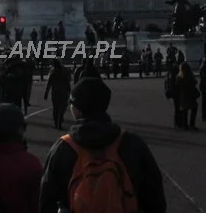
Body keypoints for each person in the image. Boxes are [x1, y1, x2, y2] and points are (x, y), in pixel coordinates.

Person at [40, 78, 166, 213]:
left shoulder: (62, 148)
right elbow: (155, 199)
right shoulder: (132, 144)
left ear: (77, 109)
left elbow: (46, 201)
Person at [44, 60, 71, 130]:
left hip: (55, 92)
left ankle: (56, 123)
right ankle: (59, 122)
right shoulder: (64, 72)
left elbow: (49, 84)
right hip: (63, 92)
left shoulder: (53, 73)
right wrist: (69, 91)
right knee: (61, 108)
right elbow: (67, 82)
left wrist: (46, 93)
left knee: (55, 108)